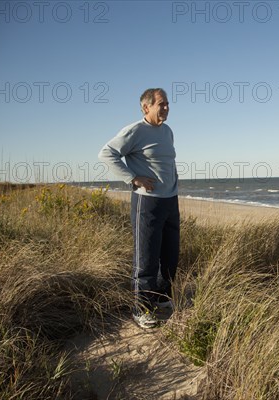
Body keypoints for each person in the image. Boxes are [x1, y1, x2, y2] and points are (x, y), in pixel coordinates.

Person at [98, 88, 179, 329]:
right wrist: (133, 178)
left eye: (167, 104)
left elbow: (166, 161)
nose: (165, 108)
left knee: (170, 256)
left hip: (170, 200)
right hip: (148, 201)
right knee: (146, 258)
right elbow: (107, 153)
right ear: (146, 107)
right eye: (161, 104)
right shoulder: (135, 131)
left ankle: (161, 300)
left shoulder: (167, 131)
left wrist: (174, 184)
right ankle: (140, 309)